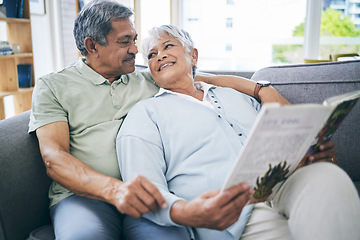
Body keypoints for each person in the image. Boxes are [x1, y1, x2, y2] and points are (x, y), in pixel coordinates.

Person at [29, 1, 290, 239]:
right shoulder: (53, 86)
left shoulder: (146, 78)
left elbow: (201, 78)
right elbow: (55, 158)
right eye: (124, 42)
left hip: (149, 193)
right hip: (85, 197)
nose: (135, 50)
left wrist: (261, 89)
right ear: (92, 46)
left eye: (134, 39)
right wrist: (117, 191)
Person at [116, 25, 360, 240]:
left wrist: (306, 153)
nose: (160, 56)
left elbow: (278, 137)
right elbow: (144, 188)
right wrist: (186, 211)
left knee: (328, 175)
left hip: (283, 184)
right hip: (235, 215)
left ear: (193, 55)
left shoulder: (234, 95)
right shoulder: (145, 114)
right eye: (151, 54)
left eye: (168, 46)